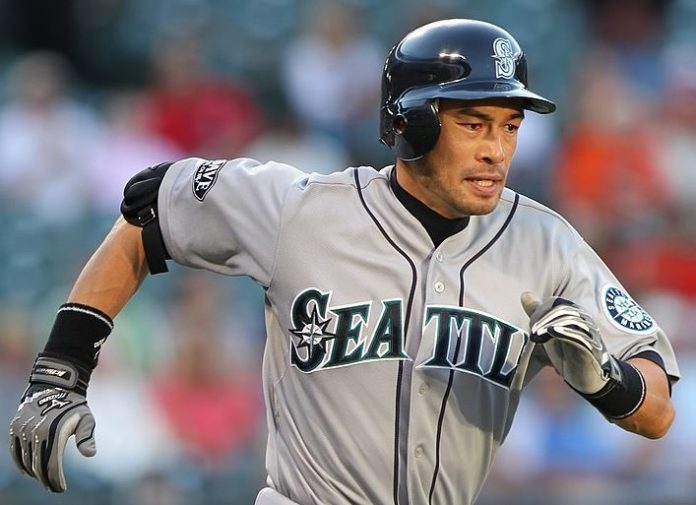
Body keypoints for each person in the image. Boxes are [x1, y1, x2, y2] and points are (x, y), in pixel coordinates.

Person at [8, 19, 679, 505]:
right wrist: (63, 367)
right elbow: (147, 217)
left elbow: (657, 408)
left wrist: (608, 381)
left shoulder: (546, 243)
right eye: (475, 123)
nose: (497, 149)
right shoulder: (304, 209)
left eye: (510, 125)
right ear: (411, 123)